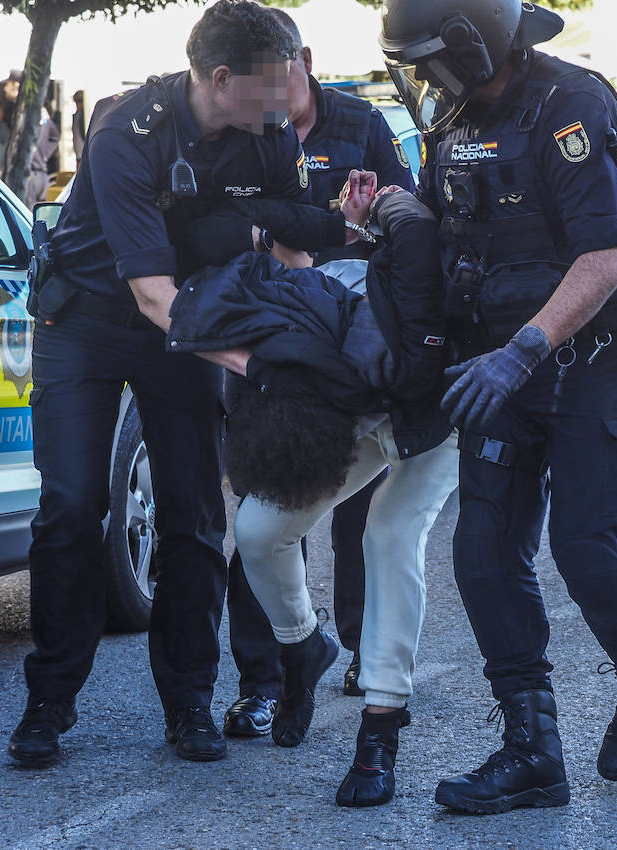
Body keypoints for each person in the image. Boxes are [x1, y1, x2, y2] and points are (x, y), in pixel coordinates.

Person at [379, 0, 617, 815]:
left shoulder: (570, 104)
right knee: (484, 551)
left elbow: (605, 260)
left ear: (473, 44)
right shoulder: (454, 124)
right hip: (494, 368)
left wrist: (521, 353)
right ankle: (532, 750)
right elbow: (454, 228)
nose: (425, 80)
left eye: (431, 62)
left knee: (586, 546)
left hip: (591, 363)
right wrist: (396, 214)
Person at [7, 0, 327, 769]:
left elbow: (294, 250)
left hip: (189, 328)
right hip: (87, 322)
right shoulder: (126, 131)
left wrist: (310, 339)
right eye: (273, 84)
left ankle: (188, 702)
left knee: (190, 515)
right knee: (73, 507)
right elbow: (154, 296)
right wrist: (256, 364)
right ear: (220, 80)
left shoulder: (270, 134)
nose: (288, 99)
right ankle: (49, 701)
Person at [169, 187, 458, 807]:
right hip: (353, 413)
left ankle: (381, 727)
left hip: (434, 410)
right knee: (258, 530)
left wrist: (378, 211)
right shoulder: (274, 308)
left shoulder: (399, 257)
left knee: (388, 531)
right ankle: (304, 647)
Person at [213, 8, 421, 741]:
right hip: (270, 338)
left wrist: (362, 221)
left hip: (350, 341)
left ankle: (365, 652)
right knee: (269, 497)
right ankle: (265, 678)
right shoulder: (240, 132)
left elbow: (403, 210)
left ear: (301, 58)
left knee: (361, 509)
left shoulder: (361, 123)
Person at [24, 107, 60, 208]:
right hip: (42, 174)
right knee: (40, 211)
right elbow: (56, 136)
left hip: (32, 174)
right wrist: (45, 155)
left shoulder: (27, 114)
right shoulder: (45, 115)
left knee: (30, 212)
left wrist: (45, 154)